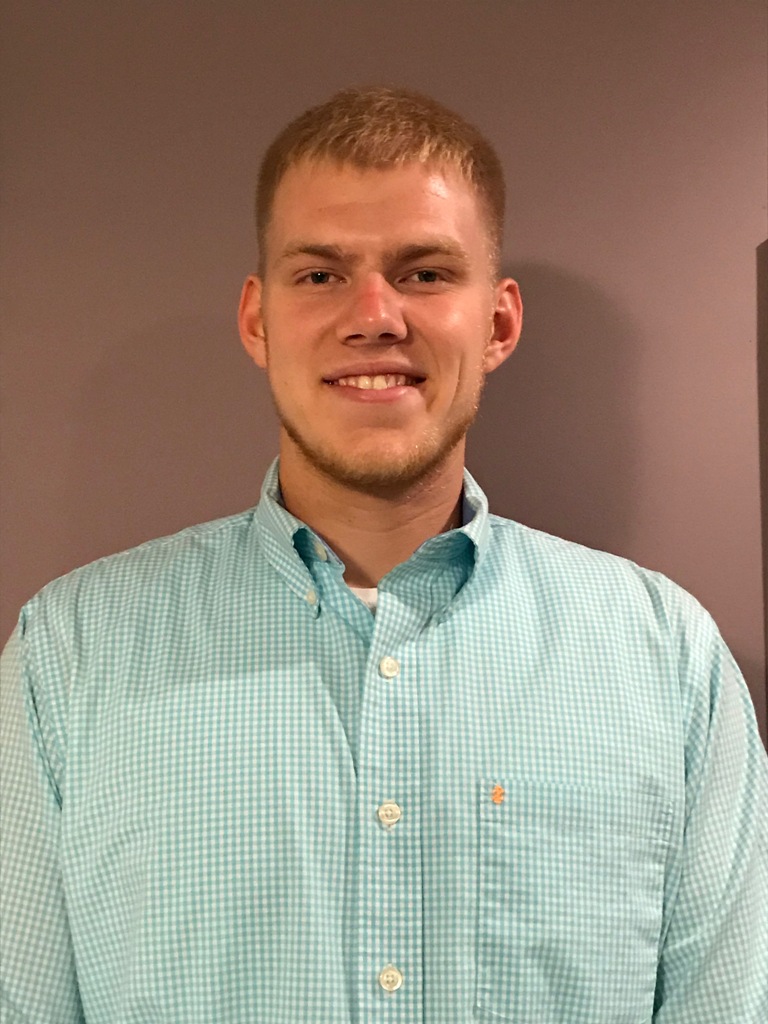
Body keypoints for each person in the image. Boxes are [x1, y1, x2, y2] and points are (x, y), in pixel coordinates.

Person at [1, 86, 766, 1024]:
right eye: (320, 274)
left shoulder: (667, 659)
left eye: (426, 272)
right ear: (257, 321)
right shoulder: (68, 658)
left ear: (498, 324)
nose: (374, 316)